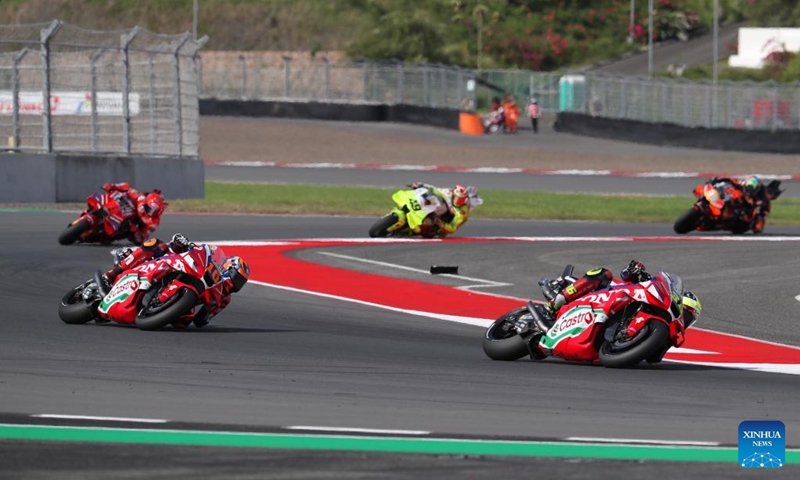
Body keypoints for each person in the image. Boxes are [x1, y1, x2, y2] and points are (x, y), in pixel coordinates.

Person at [101, 233, 250, 327]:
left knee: (183, 323)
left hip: (183, 301)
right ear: (227, 267)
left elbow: (201, 321)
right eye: (237, 278)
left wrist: (204, 313)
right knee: (155, 244)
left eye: (240, 283)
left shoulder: (223, 300)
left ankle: (153, 310)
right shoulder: (212, 267)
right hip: (172, 264)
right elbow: (194, 250)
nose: (236, 284)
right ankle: (112, 274)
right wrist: (183, 243)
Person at [536, 260, 701, 330]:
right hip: (605, 295)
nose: (683, 318)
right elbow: (626, 275)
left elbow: (653, 359)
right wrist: (636, 270)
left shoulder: (665, 335)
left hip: (601, 327)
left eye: (688, 318)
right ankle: (555, 303)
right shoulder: (651, 292)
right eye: (684, 312)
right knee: (603, 273)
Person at [101, 182, 167, 244]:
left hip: (129, 225)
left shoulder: (153, 223)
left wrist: (135, 230)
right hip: (123, 209)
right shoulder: (141, 198)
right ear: (145, 202)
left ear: (159, 212)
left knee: (111, 237)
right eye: (148, 208)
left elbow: (142, 239)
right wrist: (113, 186)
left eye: (154, 211)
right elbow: (128, 188)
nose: (150, 212)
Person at [408, 182, 474, 237]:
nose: (459, 202)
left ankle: (416, 231)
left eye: (462, 200)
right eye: (458, 199)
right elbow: (434, 189)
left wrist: (440, 223)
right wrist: (422, 185)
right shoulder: (448, 192)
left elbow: (452, 228)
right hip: (440, 209)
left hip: (446, 223)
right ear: (453, 195)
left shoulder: (463, 212)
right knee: (435, 202)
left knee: (435, 230)